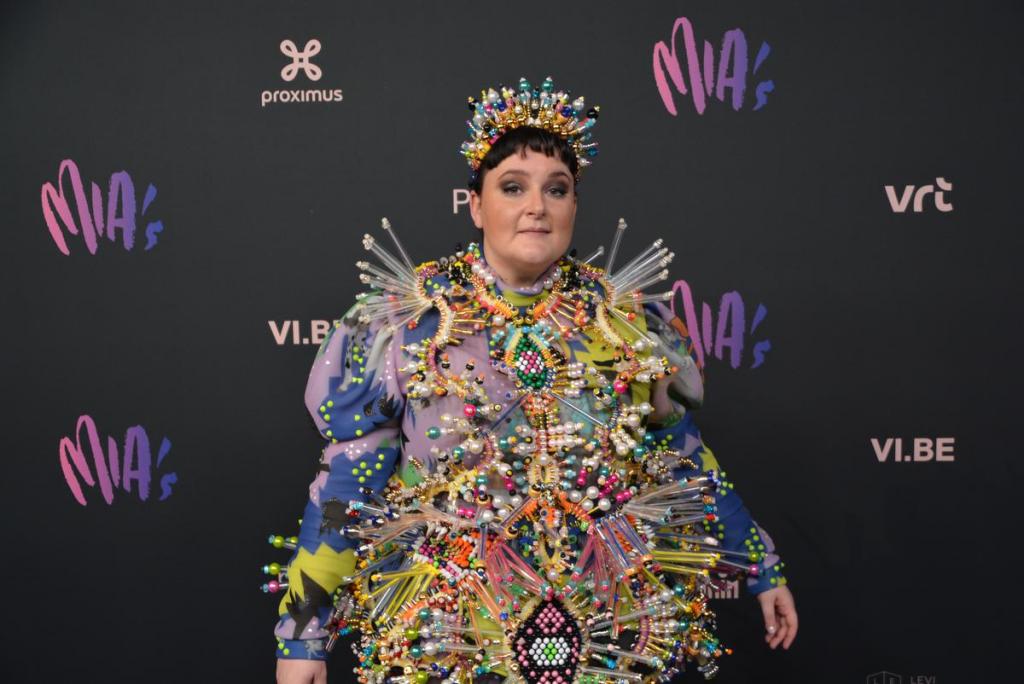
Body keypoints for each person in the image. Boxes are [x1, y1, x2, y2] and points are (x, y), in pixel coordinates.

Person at [269, 77, 797, 684]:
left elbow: (681, 457)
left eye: (557, 189)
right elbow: (348, 483)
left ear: (574, 206)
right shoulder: (406, 324)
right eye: (513, 187)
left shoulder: (627, 324)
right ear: (476, 205)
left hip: (604, 636)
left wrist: (761, 568)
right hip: (452, 640)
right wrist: (303, 638)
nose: (537, 207)